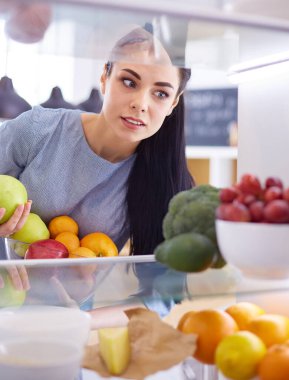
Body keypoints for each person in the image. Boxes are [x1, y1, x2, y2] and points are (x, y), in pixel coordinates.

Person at [0, 25, 194, 294]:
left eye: (160, 93)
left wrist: (85, 320)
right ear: (104, 77)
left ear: (173, 103)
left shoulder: (166, 180)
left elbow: (162, 298)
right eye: (129, 82)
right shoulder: (38, 129)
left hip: (77, 316)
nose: (140, 103)